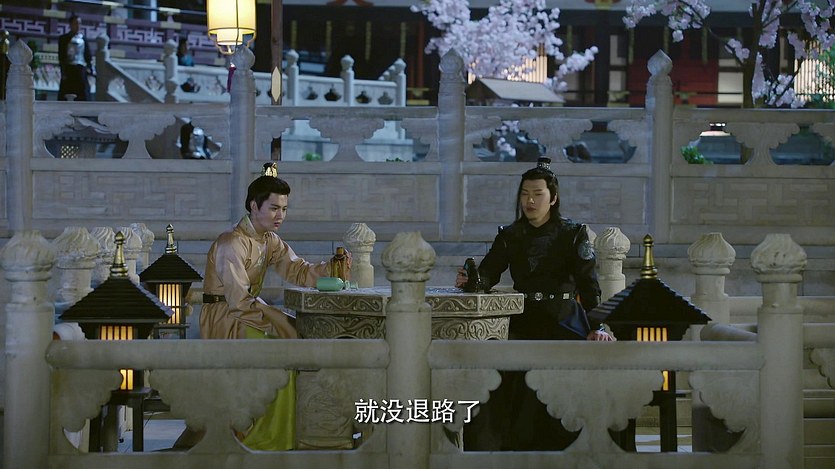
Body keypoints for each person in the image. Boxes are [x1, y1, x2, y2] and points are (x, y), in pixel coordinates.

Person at [178, 163, 349, 451]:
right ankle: (257, 436)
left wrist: (332, 267)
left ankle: (285, 431)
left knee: (293, 337)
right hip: (226, 317)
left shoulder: (270, 240)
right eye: (273, 208)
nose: (280, 215)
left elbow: (298, 270)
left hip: (248, 311)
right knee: (280, 348)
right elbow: (237, 300)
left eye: (284, 209)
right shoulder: (231, 242)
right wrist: (274, 322)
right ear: (253, 206)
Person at [456, 156, 612, 451]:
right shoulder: (510, 235)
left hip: (564, 319)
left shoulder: (573, 233)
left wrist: (598, 326)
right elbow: (488, 274)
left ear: (553, 198)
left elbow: (590, 286)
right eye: (525, 194)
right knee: (499, 371)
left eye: (537, 194)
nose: (530, 200)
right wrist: (471, 279)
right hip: (523, 319)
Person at [58, 14, 93, 101]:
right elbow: (61, 56)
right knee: (67, 92)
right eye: (75, 23)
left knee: (83, 93)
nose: (78, 26)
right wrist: (63, 71)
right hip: (69, 69)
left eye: (79, 23)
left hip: (80, 69)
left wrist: (90, 67)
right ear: (70, 25)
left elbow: (87, 55)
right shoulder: (64, 39)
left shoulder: (83, 39)